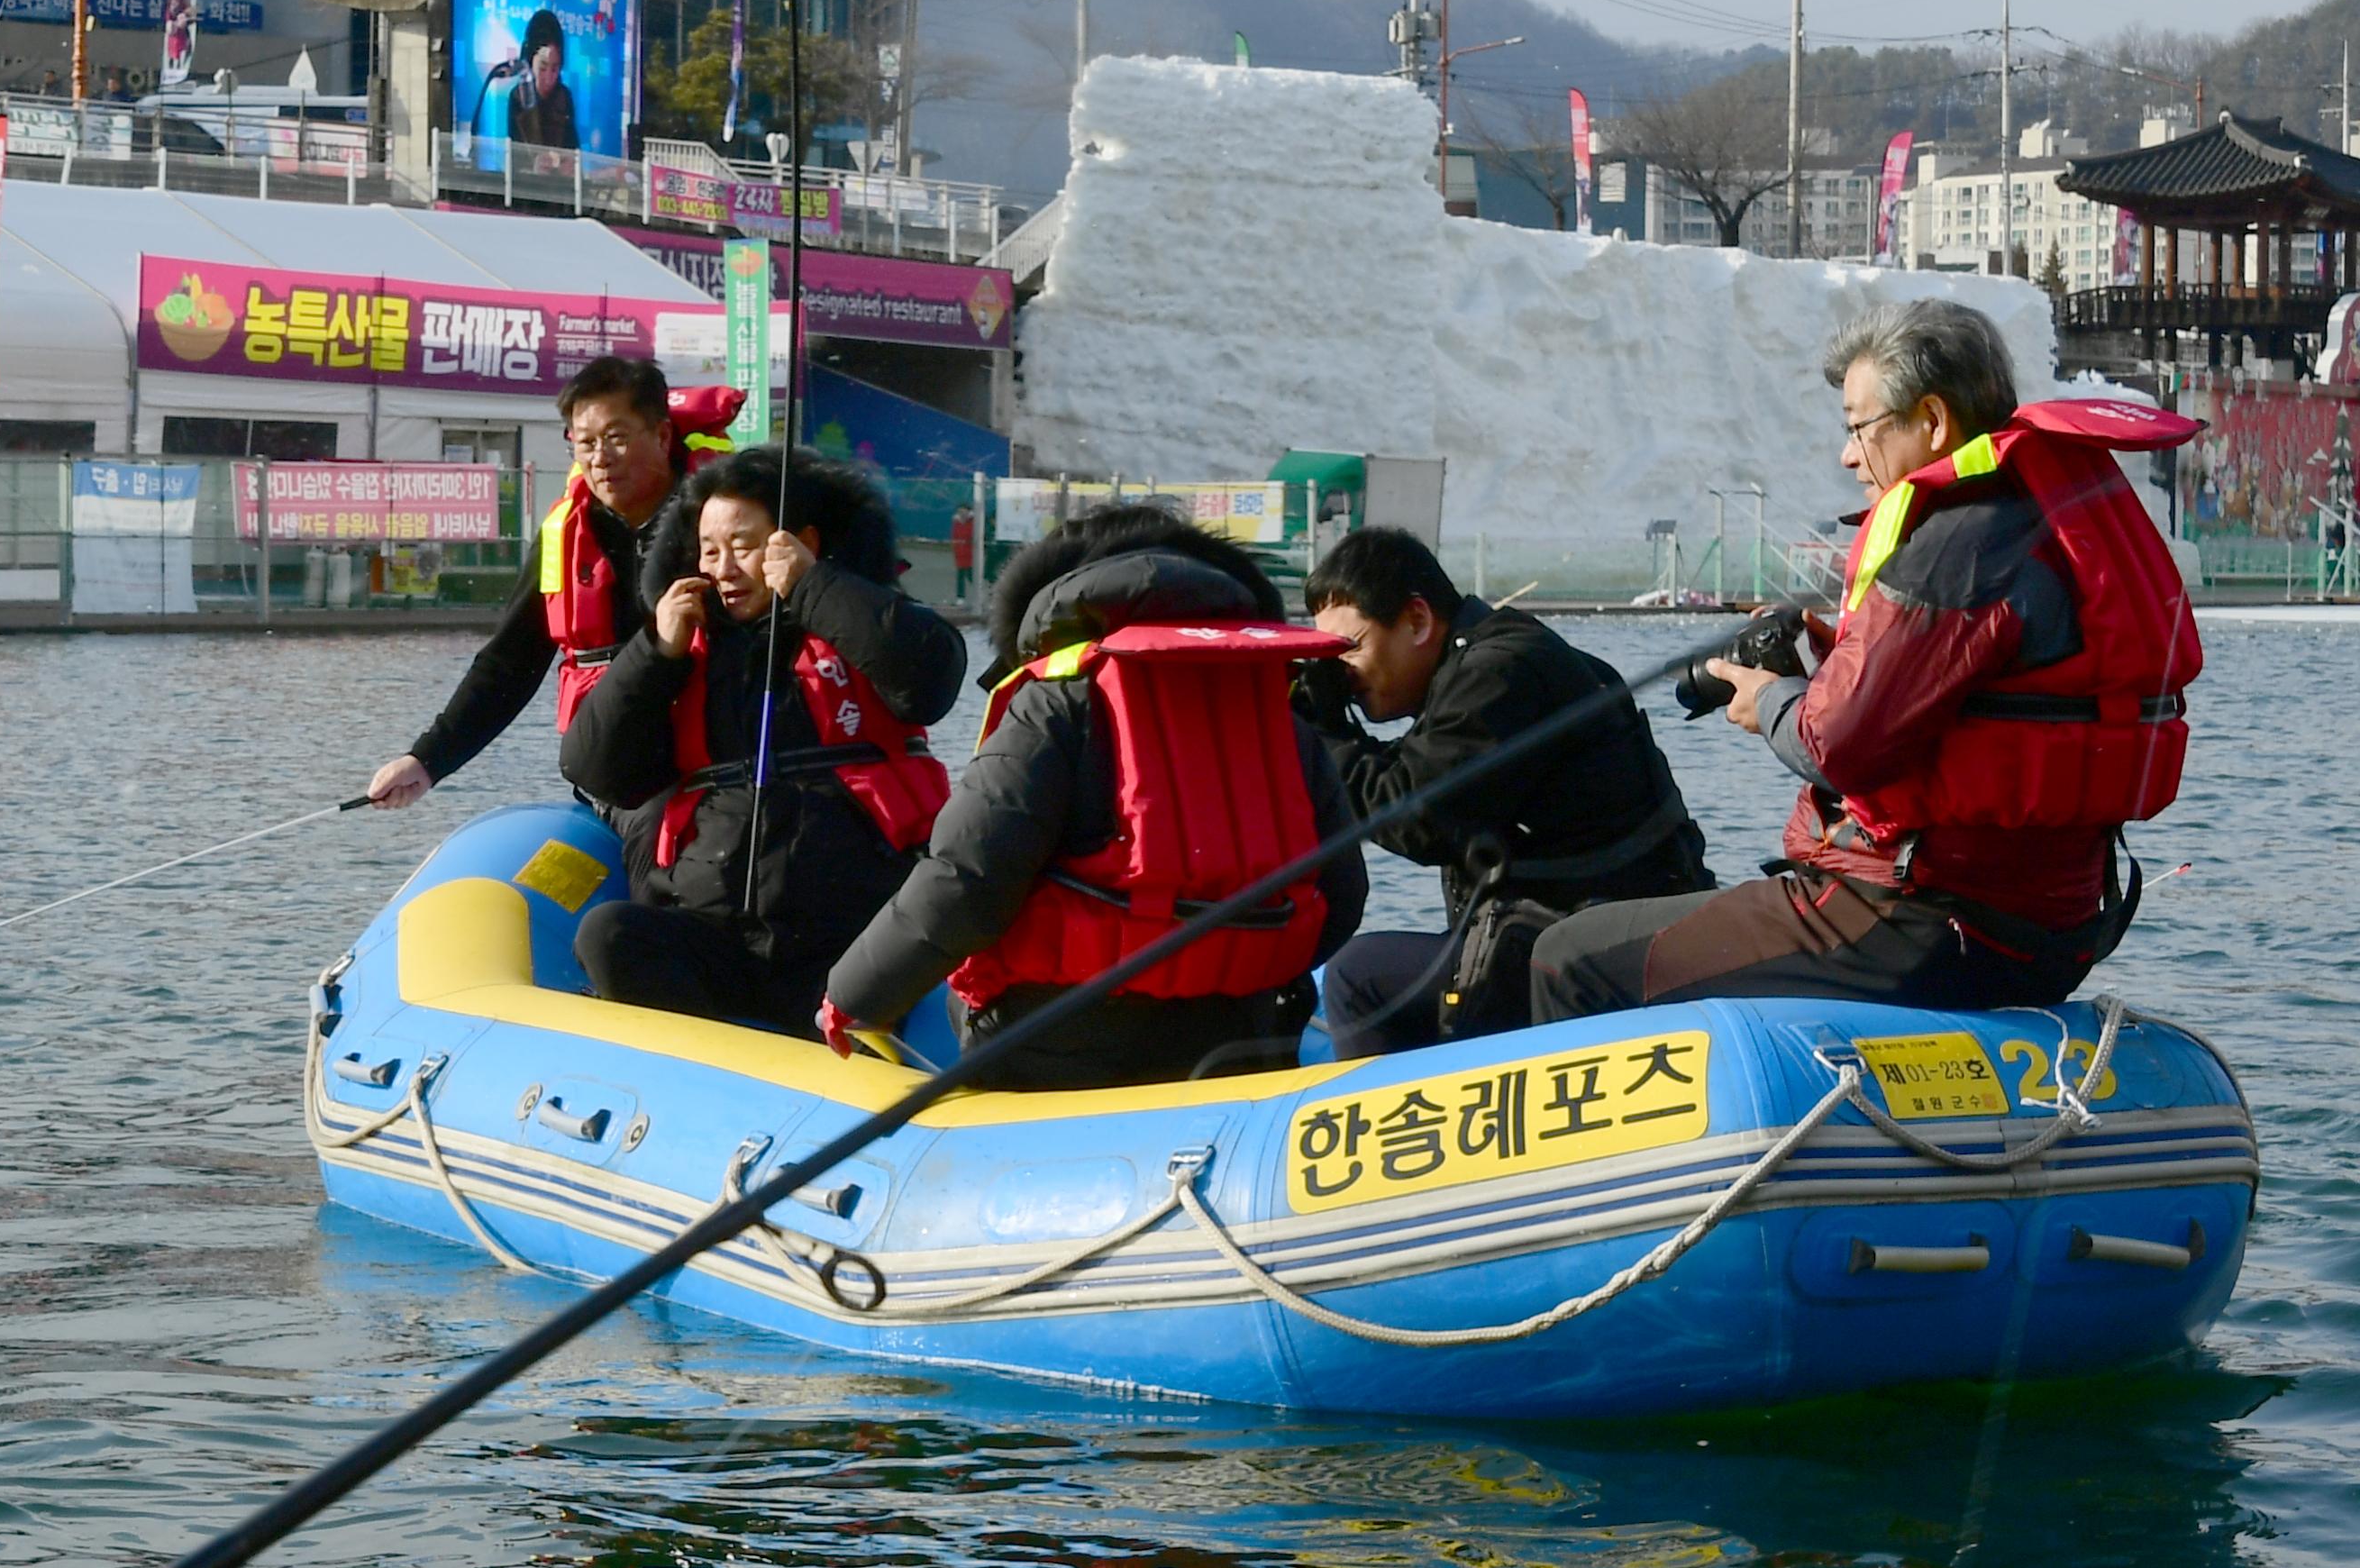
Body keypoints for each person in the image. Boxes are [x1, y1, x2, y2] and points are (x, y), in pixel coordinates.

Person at [1528, 299, 2201, 1019]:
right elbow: (1987, 698)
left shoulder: (1957, 543)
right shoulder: (2033, 514)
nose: (1849, 455)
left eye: (1859, 428)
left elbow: (1835, 744)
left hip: (1923, 922)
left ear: (1933, 422)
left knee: (1567, 958)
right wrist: (1834, 659)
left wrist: (1774, 699)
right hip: (2051, 928)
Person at [825, 507, 1370, 1088]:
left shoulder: (1059, 703)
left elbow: (966, 880)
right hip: (1238, 1033)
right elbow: (1340, 893)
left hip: (1060, 1043)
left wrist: (851, 998)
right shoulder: (1279, 719)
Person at [561, 450, 966, 1037]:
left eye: (743, 546)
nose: (723, 568)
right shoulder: (686, 651)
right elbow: (592, 766)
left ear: (798, 542)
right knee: (609, 935)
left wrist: (813, 586)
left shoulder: (866, 620)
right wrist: (654, 651)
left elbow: (930, 680)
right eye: (709, 549)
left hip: (848, 942)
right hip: (717, 932)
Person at [1298, 526, 1709, 1056]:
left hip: (1590, 947)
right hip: (1597, 925)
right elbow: (1418, 776)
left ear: (1417, 620)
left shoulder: (1500, 673)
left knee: (1359, 975)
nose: (1341, 674)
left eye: (1349, 648)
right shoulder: (1504, 655)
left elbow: (1412, 816)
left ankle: (1389, 1128)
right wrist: (1334, 726)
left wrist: (1323, 733)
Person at [367, 358, 739, 810]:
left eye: (617, 439)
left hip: (710, 778)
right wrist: (427, 761)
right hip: (609, 771)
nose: (600, 458)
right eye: (585, 443)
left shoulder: (723, 523)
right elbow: (511, 663)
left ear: (662, 436)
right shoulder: (563, 535)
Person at [505, 8, 579, 150]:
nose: (549, 78)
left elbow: (574, 150)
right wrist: (533, 165)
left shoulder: (564, 97)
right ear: (530, 62)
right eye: (543, 68)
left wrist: (570, 164)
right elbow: (515, 157)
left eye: (555, 68)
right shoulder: (518, 97)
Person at [949, 503, 979, 605]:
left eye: (963, 511)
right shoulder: (956, 523)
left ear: (968, 511)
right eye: (959, 511)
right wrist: (956, 548)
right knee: (960, 576)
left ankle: (979, 595)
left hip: (972, 554)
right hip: (960, 554)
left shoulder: (974, 522)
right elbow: (955, 536)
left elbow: (975, 537)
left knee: (972, 576)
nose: (961, 513)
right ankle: (960, 598)